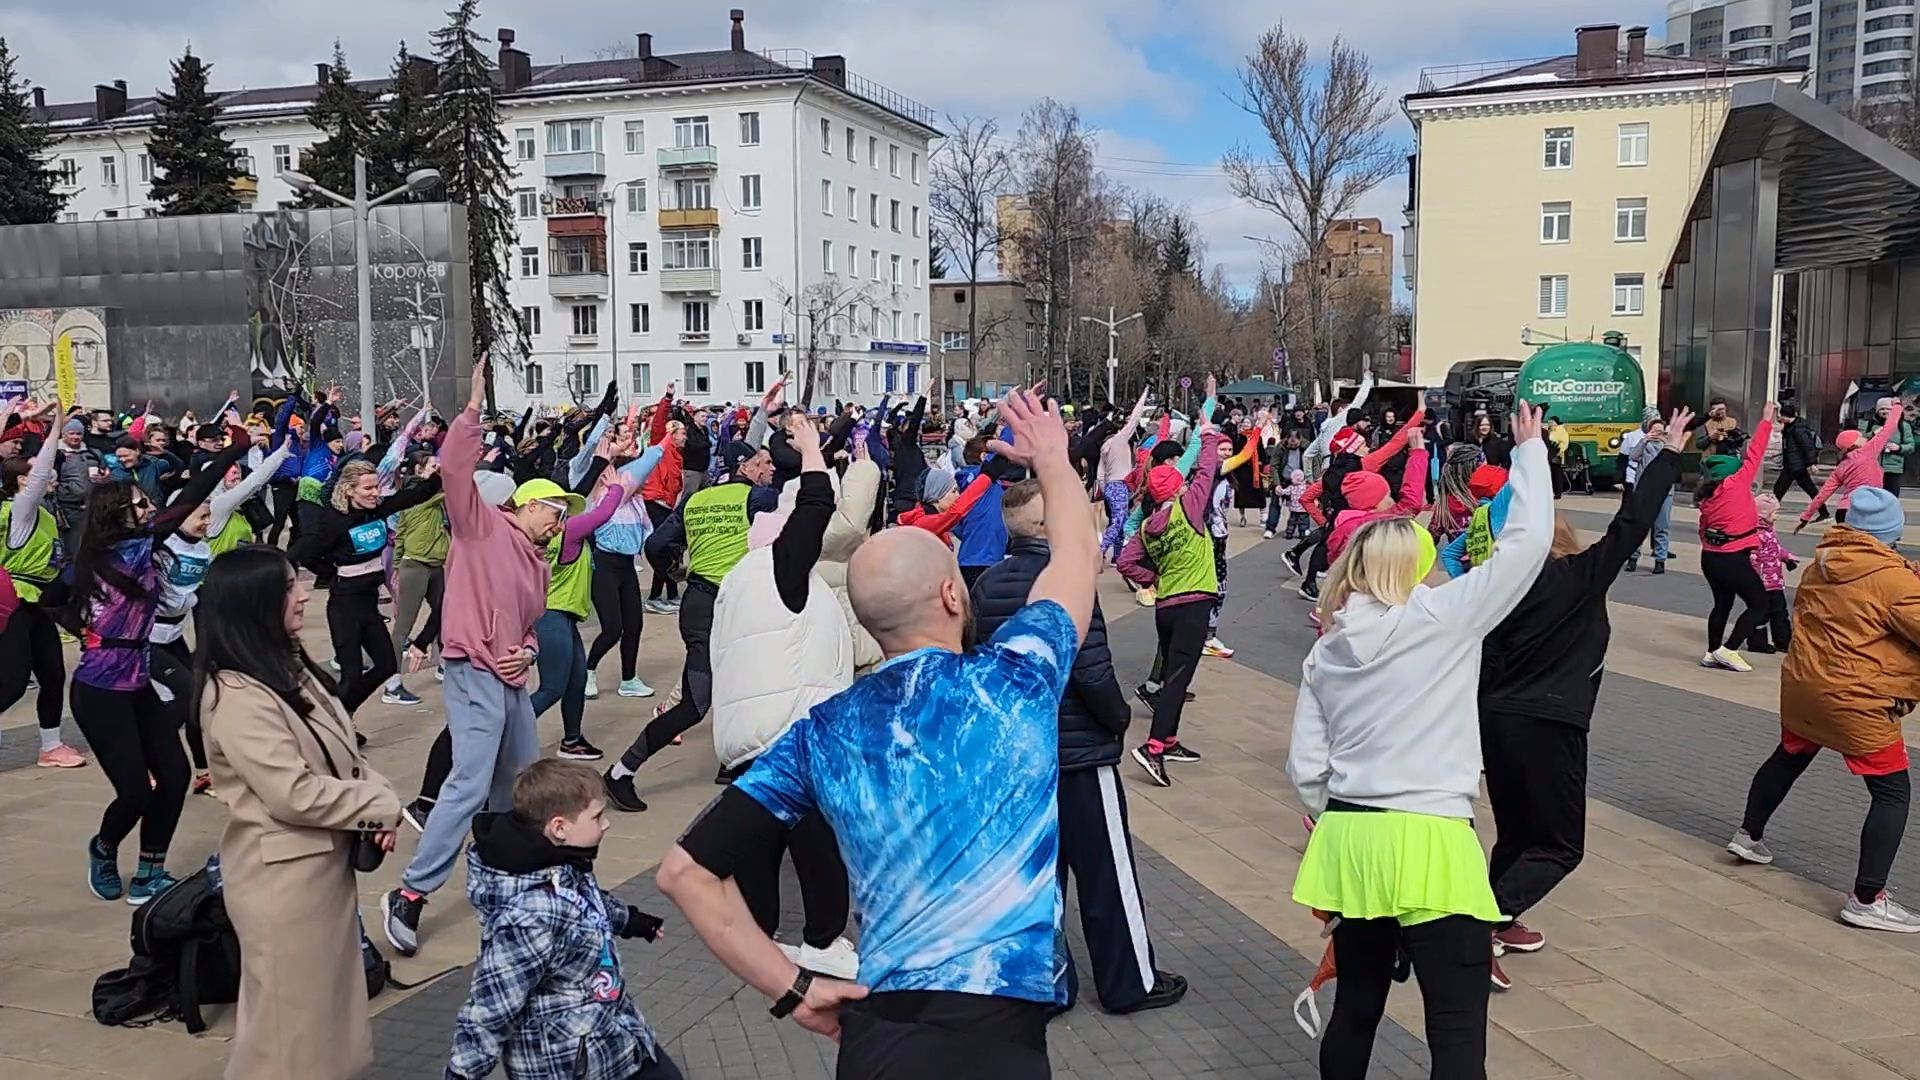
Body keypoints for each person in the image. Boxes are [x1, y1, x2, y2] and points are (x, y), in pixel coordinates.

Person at [657, 386, 1097, 1076]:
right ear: (953, 594)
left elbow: (684, 872)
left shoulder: (823, 732)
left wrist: (791, 990)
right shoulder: (1017, 679)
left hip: (880, 1036)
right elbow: (1076, 554)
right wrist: (1053, 458)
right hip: (1001, 1034)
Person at [1288, 402, 1552, 1078]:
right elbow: (1525, 548)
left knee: (1357, 1008)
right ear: (1414, 569)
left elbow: (1306, 770)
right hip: (1431, 838)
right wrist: (1531, 454)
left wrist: (1334, 816)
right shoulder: (1440, 618)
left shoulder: (1327, 651)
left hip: (1351, 840)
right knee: (1457, 1029)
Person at [1473, 410, 1690, 980]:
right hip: (1550, 724)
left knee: (1519, 833)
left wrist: (1529, 454)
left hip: (1497, 723)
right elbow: (1631, 524)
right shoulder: (1577, 579)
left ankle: (1497, 919)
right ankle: (1475, 927)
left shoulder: (1494, 587)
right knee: (1561, 845)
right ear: (1562, 541)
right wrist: (1667, 456)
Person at [383, 362, 580, 957]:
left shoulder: (538, 563)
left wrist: (524, 650)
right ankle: (412, 894)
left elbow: (524, 628)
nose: (560, 520)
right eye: (555, 510)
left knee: (519, 786)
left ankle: (504, 880)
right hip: (471, 668)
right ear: (527, 505)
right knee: (469, 783)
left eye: (564, 514)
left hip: (509, 679)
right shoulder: (480, 528)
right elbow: (453, 470)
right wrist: (470, 413)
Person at [972, 478, 1187, 1015]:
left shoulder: (987, 585)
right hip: (1081, 753)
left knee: (1034, 875)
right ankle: (1129, 982)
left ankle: (1046, 981)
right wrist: (1115, 722)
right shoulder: (1069, 585)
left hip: (1020, 755)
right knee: (1107, 874)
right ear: (1049, 527)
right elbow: (1091, 669)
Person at [195, 546, 401, 1080]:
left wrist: (373, 806)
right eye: (289, 587)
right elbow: (294, 793)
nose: (304, 595)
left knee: (323, 1025)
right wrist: (379, 807)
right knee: (289, 1037)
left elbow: (345, 759)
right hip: (281, 882)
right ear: (254, 602)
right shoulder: (236, 694)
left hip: (318, 872)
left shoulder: (287, 667)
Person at [1728, 486, 1920, 932]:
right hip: (1855, 699)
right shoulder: (1894, 580)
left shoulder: (1823, 564)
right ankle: (1868, 899)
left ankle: (1748, 835)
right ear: (1890, 533)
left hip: (1805, 687)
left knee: (1790, 756)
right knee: (1892, 792)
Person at [707, 412, 858, 978]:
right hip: (791, 732)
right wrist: (814, 449)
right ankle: (822, 939)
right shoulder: (780, 572)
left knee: (761, 840)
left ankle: (758, 933)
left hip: (754, 735)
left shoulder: (739, 581)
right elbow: (817, 503)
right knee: (818, 844)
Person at [73, 451, 244, 903]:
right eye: (141, 504)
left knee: (173, 774)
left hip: (139, 679)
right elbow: (190, 498)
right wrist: (88, 632)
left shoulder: (144, 550)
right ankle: (104, 847)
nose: (150, 509)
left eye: (149, 503)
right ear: (118, 515)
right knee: (134, 792)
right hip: (99, 690)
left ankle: (151, 873)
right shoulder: (114, 552)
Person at [446, 760, 674, 1080]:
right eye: (597, 816)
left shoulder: (560, 862)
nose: (606, 824)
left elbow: (585, 903)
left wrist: (631, 920)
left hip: (610, 1033)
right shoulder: (528, 918)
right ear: (559, 828)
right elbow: (492, 1007)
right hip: (566, 1063)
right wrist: (462, 1072)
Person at [603, 438, 778, 812]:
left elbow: (655, 544)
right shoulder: (758, 499)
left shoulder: (695, 500)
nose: (770, 469)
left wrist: (673, 571)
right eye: (763, 463)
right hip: (724, 608)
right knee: (695, 703)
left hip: (699, 603)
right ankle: (621, 772)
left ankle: (732, 762)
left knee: (744, 685)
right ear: (745, 467)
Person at [1118, 399, 1226, 787]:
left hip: (1167, 605)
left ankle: (1170, 738)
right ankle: (1153, 748)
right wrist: (1208, 433)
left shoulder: (1148, 526)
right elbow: (1208, 470)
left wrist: (1155, 577)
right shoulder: (1187, 509)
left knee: (1175, 671)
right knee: (1178, 679)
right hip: (1194, 602)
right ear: (1177, 487)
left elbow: (1125, 564)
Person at [288, 457, 445, 718]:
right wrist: (333, 573)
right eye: (368, 489)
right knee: (351, 675)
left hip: (369, 603)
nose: (375, 494)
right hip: (345, 604)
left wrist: (440, 474)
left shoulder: (376, 509)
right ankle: (337, 721)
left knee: (387, 665)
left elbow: (414, 495)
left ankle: (342, 712)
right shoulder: (334, 520)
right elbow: (306, 553)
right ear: (349, 490)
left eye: (376, 487)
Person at [0, 399, 86, 767]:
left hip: (42, 603)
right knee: (13, 683)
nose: (46, 475)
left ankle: (51, 746)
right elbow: (38, 477)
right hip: (16, 603)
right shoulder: (19, 511)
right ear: (21, 482)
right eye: (35, 473)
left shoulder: (45, 513)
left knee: (53, 674)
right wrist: (54, 430)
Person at [1696, 402, 1776, 673]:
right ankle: (1729, 650)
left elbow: (1702, 529)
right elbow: (1756, 452)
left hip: (1710, 558)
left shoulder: (1706, 496)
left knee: (1722, 603)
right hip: (1733, 558)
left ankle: (1711, 651)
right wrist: (1766, 420)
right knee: (1759, 604)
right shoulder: (1737, 483)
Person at [1800, 401, 1904, 530]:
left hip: (1844, 512)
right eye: (1859, 436)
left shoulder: (1841, 467)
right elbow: (1889, 427)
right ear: (1853, 444)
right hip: (1865, 512)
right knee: (1868, 546)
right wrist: (1897, 405)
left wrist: (1805, 517)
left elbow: (1822, 495)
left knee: (1846, 548)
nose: (1863, 437)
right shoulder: (1868, 451)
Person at [1745, 494, 1798, 655]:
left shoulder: (1769, 531)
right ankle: (1757, 642)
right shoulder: (1755, 534)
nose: (1777, 516)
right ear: (1763, 514)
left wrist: (1787, 557)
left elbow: (1775, 550)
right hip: (1762, 583)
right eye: (1774, 513)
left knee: (1780, 611)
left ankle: (1783, 641)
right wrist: (1756, 578)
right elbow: (1752, 558)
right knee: (1762, 613)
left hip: (1774, 581)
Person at [1622, 414, 1673, 574]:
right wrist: (1645, 440)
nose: (1657, 435)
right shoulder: (1644, 444)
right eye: (1654, 432)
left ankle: (1660, 560)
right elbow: (1633, 457)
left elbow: (1675, 463)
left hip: (1664, 491)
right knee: (1638, 525)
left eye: (1661, 432)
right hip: (1643, 491)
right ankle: (1633, 558)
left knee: (1661, 526)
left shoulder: (1668, 447)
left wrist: (1667, 443)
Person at [1775, 404, 1822, 509]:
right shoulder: (1791, 427)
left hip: (1795, 464)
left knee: (1779, 489)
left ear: (1785, 416)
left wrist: (1811, 463)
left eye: (1781, 416)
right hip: (1794, 464)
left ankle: (1768, 510)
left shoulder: (1798, 429)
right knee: (1810, 489)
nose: (1779, 418)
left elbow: (1807, 446)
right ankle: (1824, 512)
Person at [1866, 395, 1917, 495]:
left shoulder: (1903, 425)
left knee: (1891, 496)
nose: (1885, 411)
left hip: (1893, 468)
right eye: (1882, 409)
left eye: (1888, 409)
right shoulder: (1871, 424)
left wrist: (1899, 448)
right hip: (1873, 467)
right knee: (1873, 495)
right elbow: (1861, 441)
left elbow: (1911, 446)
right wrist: (1872, 434)